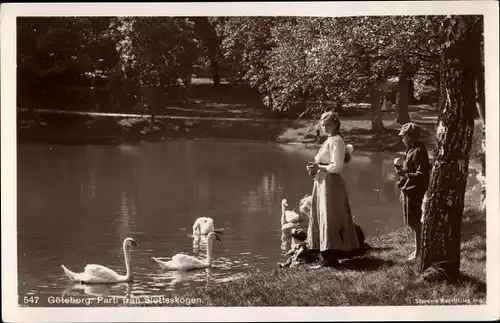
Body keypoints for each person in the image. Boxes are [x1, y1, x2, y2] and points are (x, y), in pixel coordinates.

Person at [306, 111, 360, 267]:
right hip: (323, 182)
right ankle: (326, 255)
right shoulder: (329, 140)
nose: (325, 127)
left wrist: (319, 167)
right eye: (323, 125)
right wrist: (315, 170)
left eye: (328, 124)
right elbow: (326, 164)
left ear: (336, 124)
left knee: (330, 217)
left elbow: (337, 167)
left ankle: (331, 257)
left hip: (331, 183)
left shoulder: (336, 141)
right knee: (322, 216)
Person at [395, 122, 430, 261]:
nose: (402, 139)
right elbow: (409, 171)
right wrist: (402, 175)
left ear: (409, 137)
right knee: (410, 221)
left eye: (403, 136)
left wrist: (406, 175)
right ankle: (418, 248)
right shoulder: (410, 150)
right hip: (408, 189)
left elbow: (421, 175)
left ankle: (419, 252)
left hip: (415, 191)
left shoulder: (419, 151)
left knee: (415, 222)